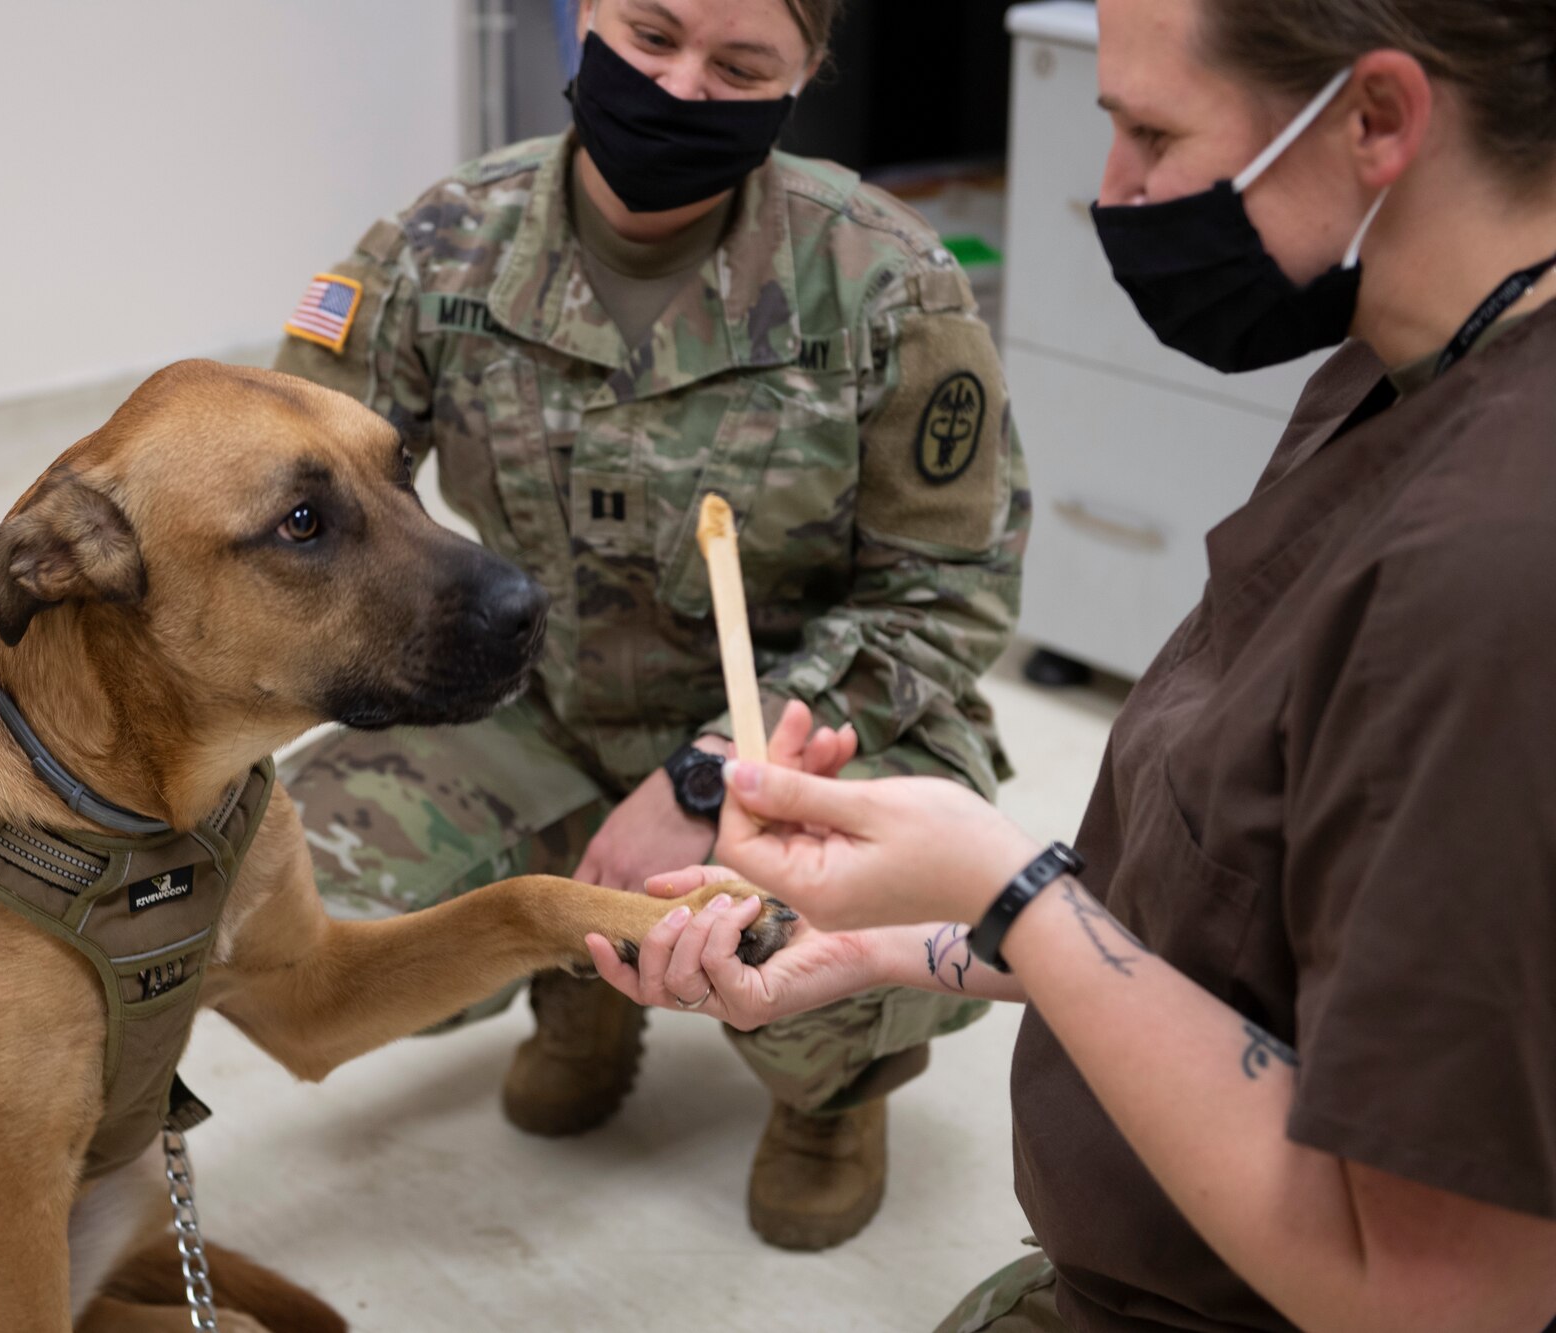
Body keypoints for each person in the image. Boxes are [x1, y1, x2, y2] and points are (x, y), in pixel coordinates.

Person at [589, 0, 1556, 1327]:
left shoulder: (1492, 572)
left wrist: (1013, 882)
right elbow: (1246, 930)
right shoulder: (1406, 366)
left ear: (1376, 117)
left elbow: (1440, 1297)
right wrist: (895, 937)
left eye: (1152, 132)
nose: (1113, 195)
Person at [271, 0, 1030, 1251]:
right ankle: (579, 980)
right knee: (302, 896)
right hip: (534, 707)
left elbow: (945, 595)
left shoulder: (886, 282)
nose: (679, 88)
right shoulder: (441, 247)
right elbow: (298, 475)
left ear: (804, 76)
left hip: (799, 743)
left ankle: (832, 1091)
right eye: (648, 35)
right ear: (582, 18)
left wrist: (707, 773)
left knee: (844, 923)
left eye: (739, 66)